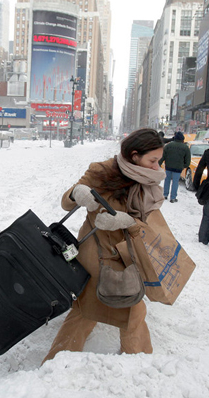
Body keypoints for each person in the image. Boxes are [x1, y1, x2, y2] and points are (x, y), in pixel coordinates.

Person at [43, 128, 166, 363]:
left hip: (128, 254)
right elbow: (65, 202)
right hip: (95, 254)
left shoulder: (149, 182)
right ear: (134, 155)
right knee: (88, 309)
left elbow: (150, 226)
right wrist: (76, 193)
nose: (156, 167)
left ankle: (139, 364)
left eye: (158, 160)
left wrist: (127, 221)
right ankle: (56, 366)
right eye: (152, 160)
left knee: (131, 309)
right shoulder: (101, 171)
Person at [159, 131, 190, 203]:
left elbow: (162, 157)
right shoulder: (185, 147)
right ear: (182, 139)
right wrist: (184, 166)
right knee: (175, 182)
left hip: (168, 166)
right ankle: (173, 198)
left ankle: (165, 195)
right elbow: (187, 160)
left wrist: (159, 164)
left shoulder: (168, 146)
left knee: (167, 180)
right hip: (178, 168)